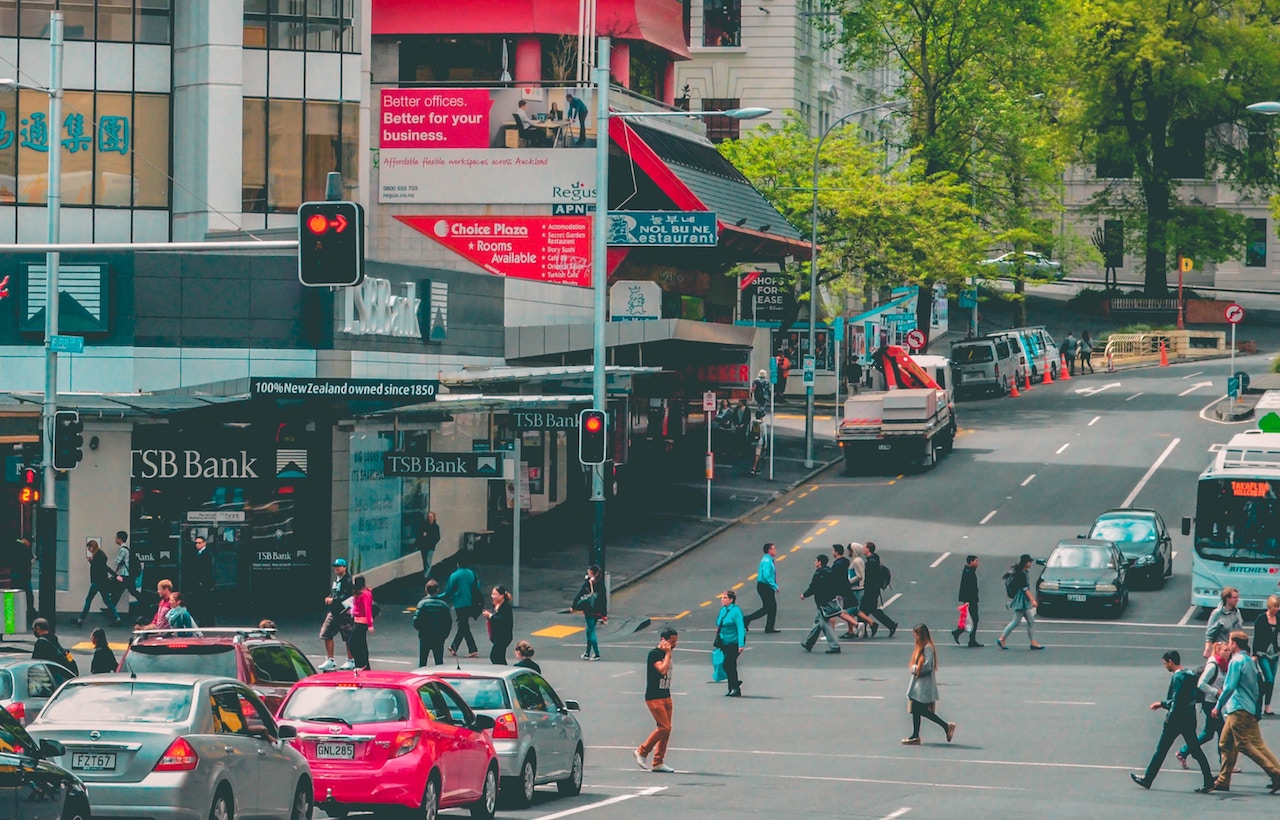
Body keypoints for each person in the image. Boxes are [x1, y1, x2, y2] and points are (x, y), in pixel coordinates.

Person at [1130, 650, 1216, 793]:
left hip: (1176, 720)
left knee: (1161, 750)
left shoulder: (1178, 678)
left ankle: (1148, 778)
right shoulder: (1190, 674)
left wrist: (1163, 705)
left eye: (1165, 663)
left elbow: (1177, 701)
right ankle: (1208, 779)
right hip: (1189, 718)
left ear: (1171, 662)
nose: (1165, 666)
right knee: (1196, 750)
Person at [1212, 632, 1280, 793]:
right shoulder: (1249, 660)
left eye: (1230, 642)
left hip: (1238, 708)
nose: (1228, 644)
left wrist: (1218, 705)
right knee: (1227, 742)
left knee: (1242, 744)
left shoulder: (1236, 662)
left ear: (1234, 644)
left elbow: (1229, 687)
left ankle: (1275, 773)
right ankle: (1223, 779)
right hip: (1248, 707)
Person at [1179, 641, 1231, 769]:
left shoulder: (1225, 665)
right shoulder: (1213, 666)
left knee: (1208, 733)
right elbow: (1201, 683)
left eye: (1229, 650)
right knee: (1223, 733)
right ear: (1218, 651)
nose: (1228, 653)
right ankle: (1224, 763)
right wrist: (1216, 692)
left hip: (1215, 702)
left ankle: (1183, 752)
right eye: (1225, 650)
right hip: (1209, 703)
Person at [902, 624, 956, 745]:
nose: (914, 637)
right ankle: (916, 735)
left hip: (922, 686)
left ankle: (945, 726)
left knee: (921, 710)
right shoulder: (924, 647)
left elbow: (926, 666)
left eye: (915, 635)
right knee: (917, 710)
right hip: (918, 686)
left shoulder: (927, 648)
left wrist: (914, 668)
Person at [635, 627, 678, 773]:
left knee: (667, 730)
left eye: (676, 642)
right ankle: (642, 751)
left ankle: (658, 762)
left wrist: (668, 653)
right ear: (663, 640)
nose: (674, 645)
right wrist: (667, 654)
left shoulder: (667, 653)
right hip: (654, 697)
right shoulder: (655, 654)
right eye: (672, 642)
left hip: (666, 695)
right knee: (663, 727)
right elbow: (663, 670)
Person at [999, 554, 1044, 650]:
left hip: (1023, 600)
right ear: (1026, 562)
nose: (1031, 563)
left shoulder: (1022, 572)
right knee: (1016, 622)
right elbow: (1025, 589)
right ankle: (1002, 638)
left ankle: (1033, 642)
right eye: (1029, 561)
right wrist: (1033, 600)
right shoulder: (1021, 573)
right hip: (1021, 600)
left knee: (1031, 621)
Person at [800, 554, 842, 654]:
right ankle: (808, 643)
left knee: (825, 625)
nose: (815, 562)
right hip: (829, 599)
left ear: (819, 562)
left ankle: (835, 645)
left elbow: (813, 587)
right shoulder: (830, 571)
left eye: (816, 560)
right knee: (818, 623)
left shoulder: (819, 573)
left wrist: (804, 595)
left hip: (822, 601)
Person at [319, 558, 355, 672]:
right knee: (326, 633)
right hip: (333, 612)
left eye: (339, 566)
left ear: (344, 567)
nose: (336, 568)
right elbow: (334, 592)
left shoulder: (348, 580)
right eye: (335, 566)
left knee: (348, 637)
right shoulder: (336, 580)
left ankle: (351, 659)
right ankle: (330, 659)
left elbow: (347, 596)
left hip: (344, 612)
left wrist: (333, 600)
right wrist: (330, 597)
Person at [75, 540, 121, 627]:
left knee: (88, 600)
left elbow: (104, 567)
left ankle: (81, 619)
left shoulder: (98, 556)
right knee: (107, 601)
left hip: (97, 582)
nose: (89, 549)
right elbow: (101, 567)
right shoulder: (99, 555)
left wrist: (115, 575)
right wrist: (91, 561)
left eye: (89, 547)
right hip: (102, 582)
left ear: (93, 546)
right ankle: (117, 618)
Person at [445, 556, 482, 658]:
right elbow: (478, 586)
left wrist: (438, 596)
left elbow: (448, 591)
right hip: (471, 603)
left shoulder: (455, 575)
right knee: (463, 625)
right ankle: (454, 647)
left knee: (463, 626)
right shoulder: (472, 574)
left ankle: (473, 649)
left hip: (460, 603)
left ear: (458, 564)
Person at [859, 542, 899, 638]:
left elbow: (870, 578)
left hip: (871, 590)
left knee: (862, 610)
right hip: (873, 589)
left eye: (864, 547)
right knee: (868, 610)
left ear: (868, 549)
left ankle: (885, 625)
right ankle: (888, 625)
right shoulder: (874, 559)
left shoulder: (871, 562)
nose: (863, 549)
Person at [413, 578, 453, 667]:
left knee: (422, 662)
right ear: (437, 590)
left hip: (425, 636)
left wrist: (421, 630)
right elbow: (448, 623)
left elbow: (416, 622)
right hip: (439, 637)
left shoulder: (422, 604)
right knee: (439, 662)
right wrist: (444, 635)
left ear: (426, 590)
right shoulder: (443, 605)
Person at [572, 565, 607, 660]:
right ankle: (587, 652)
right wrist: (604, 615)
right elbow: (604, 600)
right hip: (598, 611)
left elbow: (579, 595)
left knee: (591, 632)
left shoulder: (588, 583)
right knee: (589, 631)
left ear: (592, 572)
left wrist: (574, 606)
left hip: (589, 610)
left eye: (589, 572)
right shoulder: (601, 584)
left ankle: (596, 653)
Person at [743, 543, 780, 633]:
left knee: (770, 607)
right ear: (769, 550)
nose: (775, 550)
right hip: (765, 586)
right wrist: (774, 585)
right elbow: (766, 575)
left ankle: (769, 627)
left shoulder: (768, 559)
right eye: (773, 549)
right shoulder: (767, 561)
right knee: (769, 607)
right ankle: (748, 618)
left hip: (765, 586)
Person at [715, 590, 746, 697]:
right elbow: (719, 623)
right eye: (721, 598)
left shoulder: (736, 611)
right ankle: (733, 687)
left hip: (734, 642)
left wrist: (741, 644)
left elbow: (740, 628)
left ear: (731, 599)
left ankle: (735, 686)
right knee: (729, 665)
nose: (722, 600)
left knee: (728, 663)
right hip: (725, 642)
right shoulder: (723, 610)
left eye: (724, 598)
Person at [952, 555, 984, 647]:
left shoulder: (970, 571)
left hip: (972, 599)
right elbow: (966, 587)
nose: (978, 563)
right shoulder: (968, 572)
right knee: (974, 619)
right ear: (971, 562)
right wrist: (967, 601)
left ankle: (961, 634)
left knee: (971, 619)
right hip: (970, 600)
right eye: (976, 561)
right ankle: (969, 638)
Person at [1256, 596, 1280, 716]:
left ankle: (1267, 707)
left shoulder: (1278, 618)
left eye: (1278, 606)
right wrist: (1255, 654)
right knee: (1268, 679)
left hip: (1275, 653)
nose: (1277, 609)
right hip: (1262, 653)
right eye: (1275, 606)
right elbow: (1257, 637)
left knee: (1272, 681)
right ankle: (1258, 698)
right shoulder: (1261, 619)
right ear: (1269, 606)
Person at [1205, 587, 1244, 659]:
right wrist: (1208, 649)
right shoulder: (1217, 614)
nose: (1237, 600)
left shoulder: (1237, 612)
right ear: (1227, 598)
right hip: (1223, 653)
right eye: (1234, 598)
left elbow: (1240, 631)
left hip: (1235, 652)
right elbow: (1210, 634)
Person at [187, 535, 215, 626]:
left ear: (204, 543)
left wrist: (204, 581)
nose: (197, 545)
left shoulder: (207, 554)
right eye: (196, 543)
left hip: (205, 583)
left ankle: (209, 622)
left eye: (199, 543)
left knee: (207, 603)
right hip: (198, 583)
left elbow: (207, 570)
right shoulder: (196, 553)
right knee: (200, 603)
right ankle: (202, 620)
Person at [349, 574, 375, 671]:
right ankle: (362, 664)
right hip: (357, 620)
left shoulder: (365, 594)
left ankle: (362, 663)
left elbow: (368, 609)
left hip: (362, 622)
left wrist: (370, 624)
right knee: (360, 643)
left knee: (354, 642)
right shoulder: (358, 593)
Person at [482, 585, 514, 665]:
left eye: (495, 594)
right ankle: (503, 668)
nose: (493, 597)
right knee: (500, 656)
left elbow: (501, 620)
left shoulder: (506, 607)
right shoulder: (497, 605)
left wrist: (490, 616)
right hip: (498, 636)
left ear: (502, 595)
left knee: (495, 656)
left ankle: (502, 669)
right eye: (492, 594)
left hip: (503, 636)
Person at [112, 531, 139, 610]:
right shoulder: (126, 549)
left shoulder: (123, 550)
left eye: (116, 537)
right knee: (119, 592)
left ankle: (145, 602)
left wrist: (114, 573)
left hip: (126, 575)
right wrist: (115, 573)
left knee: (120, 592)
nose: (115, 539)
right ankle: (111, 608)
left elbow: (117, 562)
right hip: (127, 575)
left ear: (120, 539)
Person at [10, 538, 33, 622]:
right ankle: (30, 612)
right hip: (22, 575)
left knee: (11, 594)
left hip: (14, 574)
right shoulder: (23, 549)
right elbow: (29, 561)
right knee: (28, 595)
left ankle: (10, 617)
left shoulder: (13, 546)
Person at [416, 511, 441, 580]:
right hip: (424, 546)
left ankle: (425, 575)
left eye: (431, 517)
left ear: (434, 518)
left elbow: (437, 537)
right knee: (425, 560)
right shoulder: (424, 525)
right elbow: (420, 535)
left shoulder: (435, 527)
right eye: (428, 517)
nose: (429, 518)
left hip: (430, 546)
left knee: (428, 560)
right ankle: (426, 572)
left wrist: (431, 542)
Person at [749, 411, 769, 475]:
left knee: (753, 454)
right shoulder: (763, 424)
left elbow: (748, 431)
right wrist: (765, 444)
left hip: (752, 441)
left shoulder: (752, 423)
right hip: (759, 441)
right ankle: (754, 468)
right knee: (757, 455)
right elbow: (764, 435)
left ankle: (753, 468)